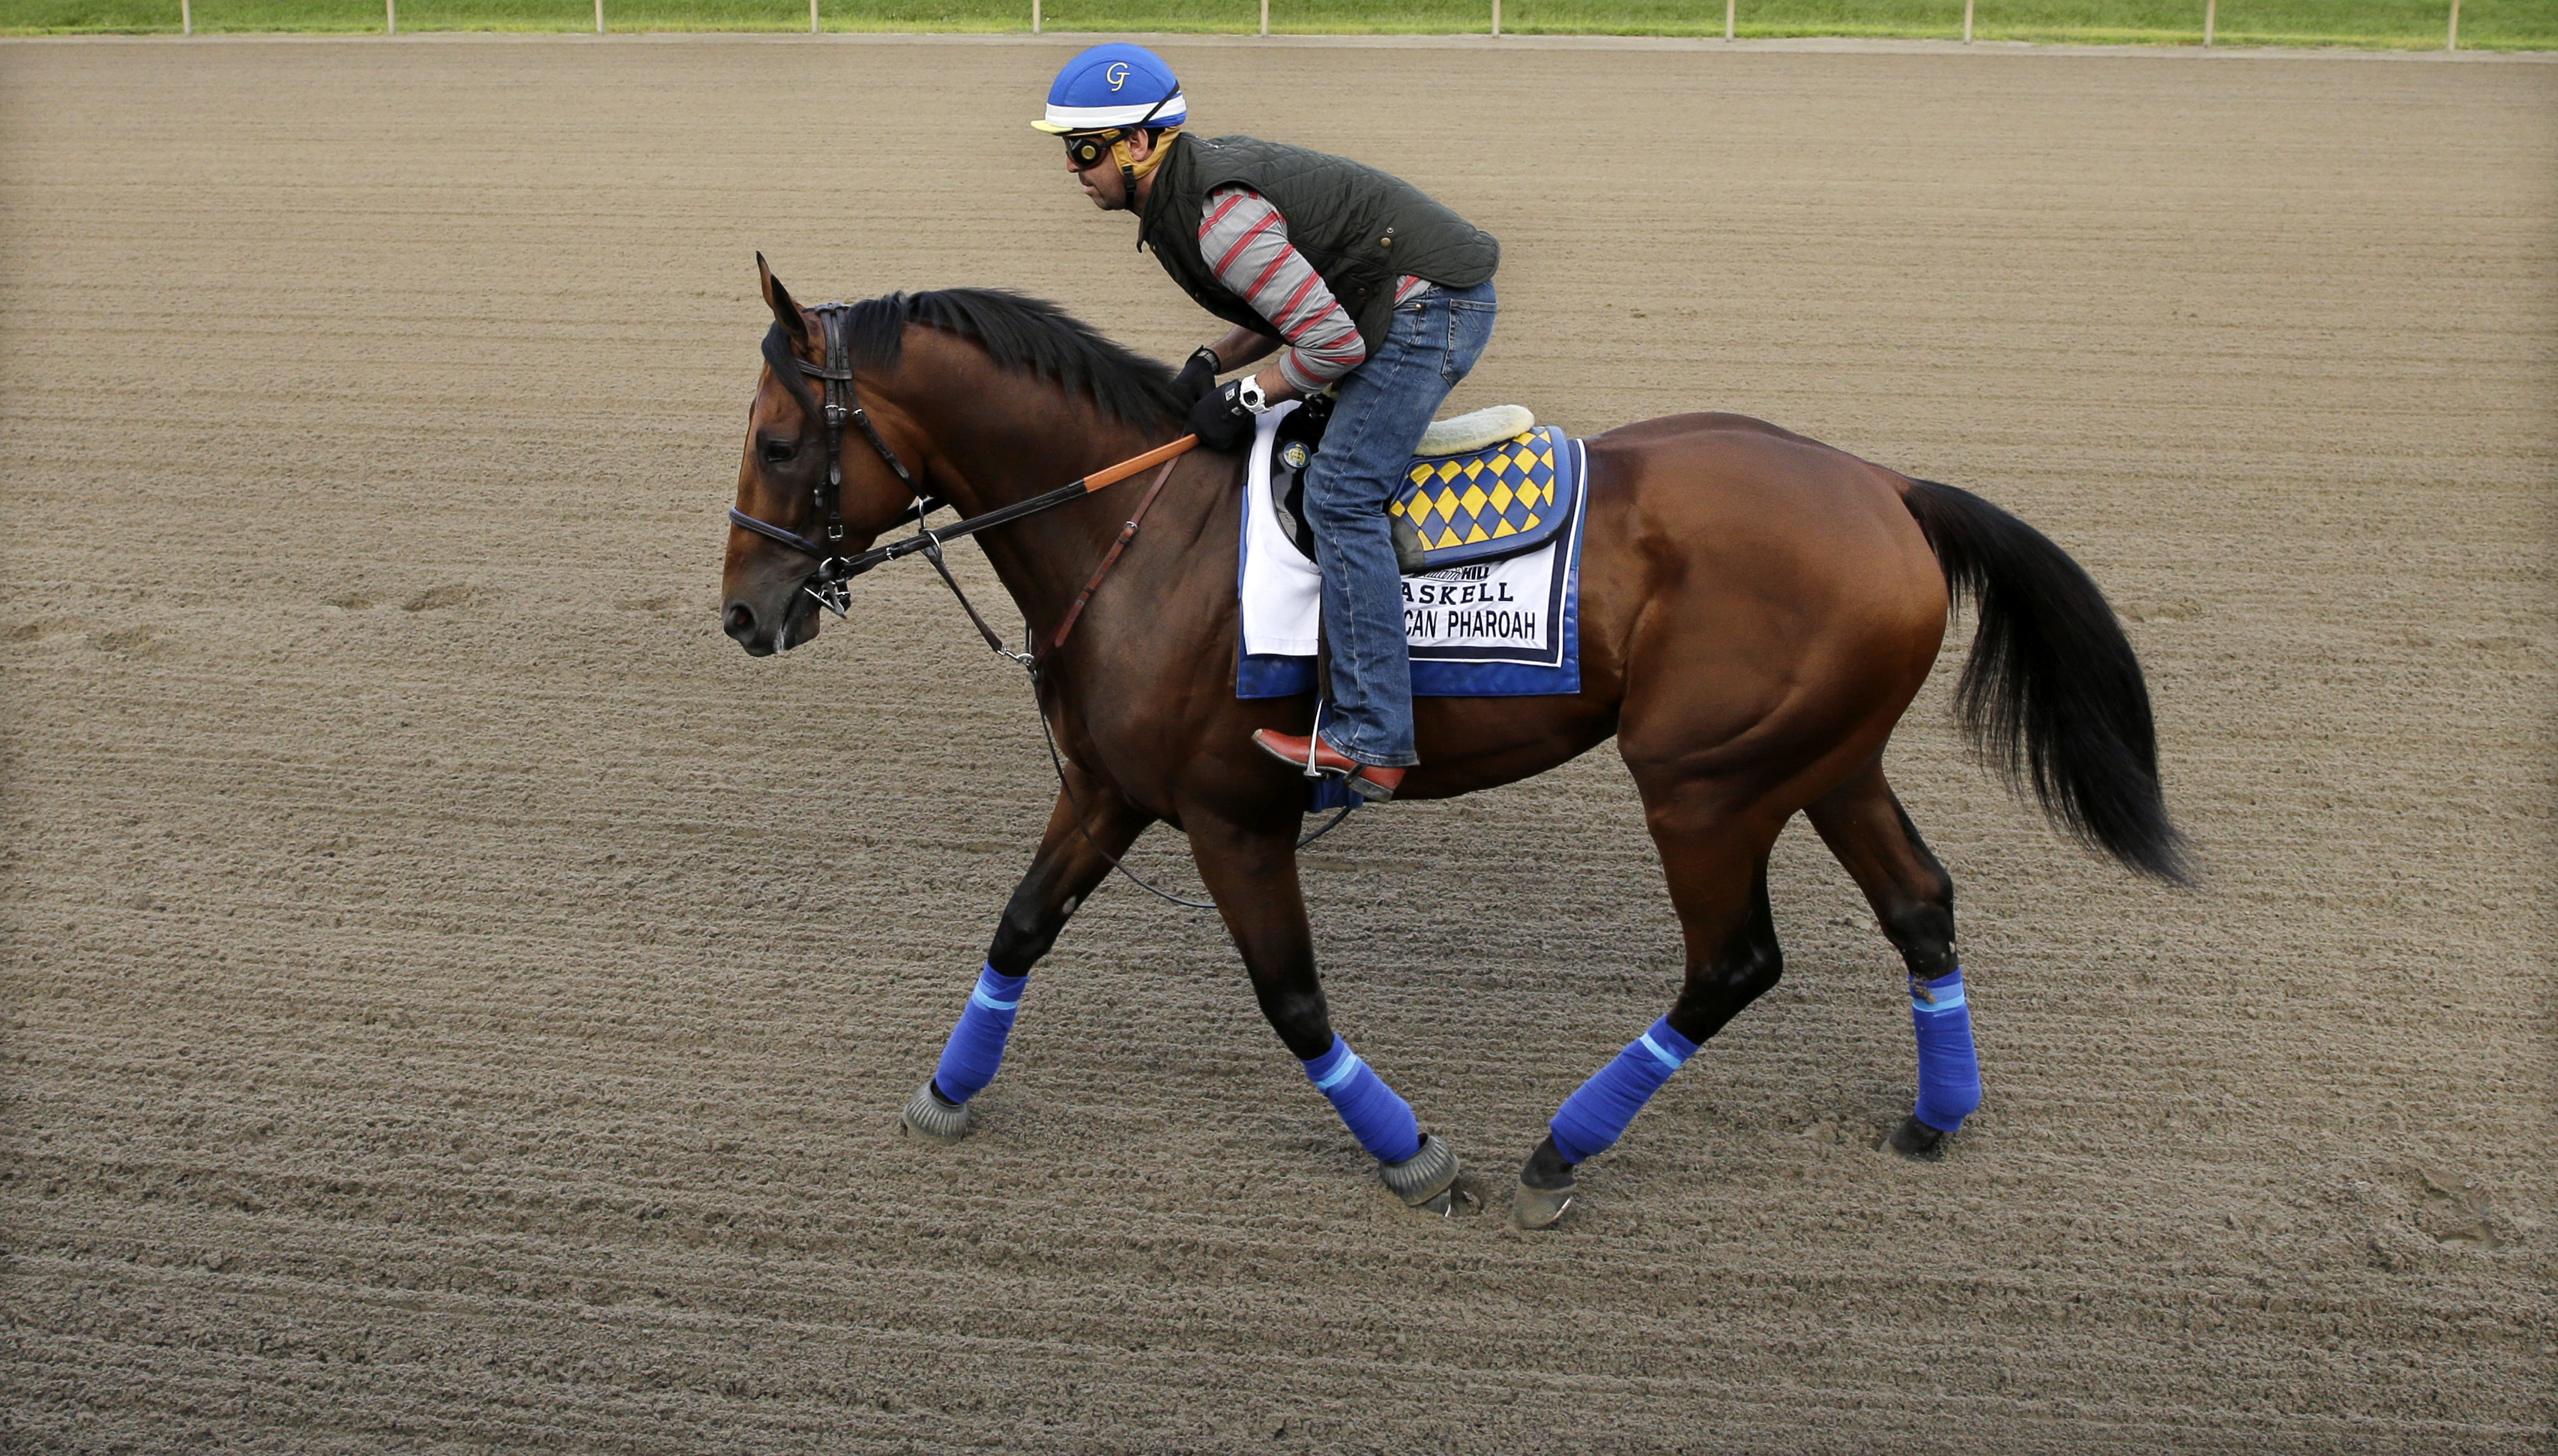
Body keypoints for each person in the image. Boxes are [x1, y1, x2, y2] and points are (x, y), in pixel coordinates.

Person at [1035, 43, 1499, 803]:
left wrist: (1246, 396)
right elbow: (1284, 304)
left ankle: (1370, 737)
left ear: (1141, 144)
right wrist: (1210, 360)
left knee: (1340, 493)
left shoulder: (1219, 220)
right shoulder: (1187, 201)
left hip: (1430, 309)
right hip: (1374, 302)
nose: (1070, 168)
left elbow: (1330, 342)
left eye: (1083, 149)